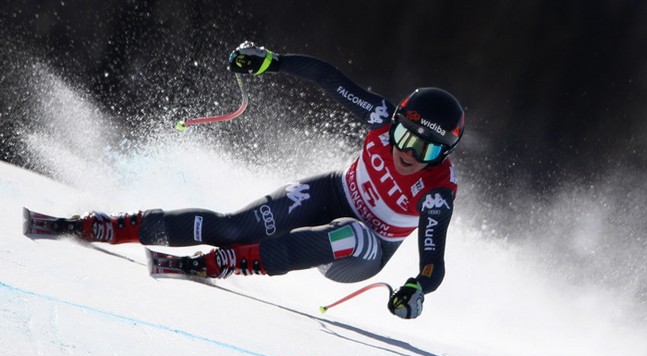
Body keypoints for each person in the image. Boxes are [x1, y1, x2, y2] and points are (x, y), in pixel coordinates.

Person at [66, 41, 464, 320]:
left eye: (426, 151)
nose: (409, 154)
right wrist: (272, 61)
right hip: (331, 192)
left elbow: (433, 264)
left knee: (351, 234)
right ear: (395, 124)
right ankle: (120, 225)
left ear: (442, 156)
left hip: (361, 253)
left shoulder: (436, 193)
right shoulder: (381, 116)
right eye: (406, 139)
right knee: (233, 227)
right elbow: (329, 77)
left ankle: (234, 263)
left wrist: (417, 288)